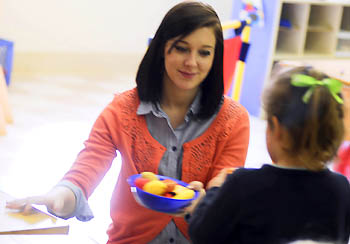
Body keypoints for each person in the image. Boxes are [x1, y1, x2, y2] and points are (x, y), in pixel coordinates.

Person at [6, 1, 250, 244]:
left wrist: (207, 202)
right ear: (162, 48)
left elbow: (224, 182)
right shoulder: (122, 111)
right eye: (181, 48)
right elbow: (86, 170)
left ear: (216, 57)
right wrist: (54, 198)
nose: (192, 62)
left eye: (204, 52)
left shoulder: (234, 119)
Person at [188, 66, 350, 244]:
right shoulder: (341, 189)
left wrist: (214, 192)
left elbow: (202, 234)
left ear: (277, 129)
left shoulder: (243, 185)